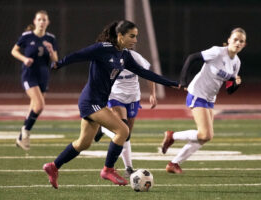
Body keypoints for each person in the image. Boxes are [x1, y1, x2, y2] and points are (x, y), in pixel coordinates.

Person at [43, 20, 180, 188]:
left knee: (83, 143)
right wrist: (59, 63)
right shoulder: (103, 48)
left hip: (98, 102)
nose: (135, 40)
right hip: (90, 101)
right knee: (123, 130)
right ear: (120, 35)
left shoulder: (124, 55)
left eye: (136, 36)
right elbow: (79, 55)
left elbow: (145, 72)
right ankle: (108, 170)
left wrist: (172, 83)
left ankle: (53, 166)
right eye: (131, 36)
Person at [161, 27, 246, 174]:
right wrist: (183, 81)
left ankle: (173, 163)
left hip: (210, 98)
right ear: (228, 41)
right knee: (205, 134)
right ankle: (172, 136)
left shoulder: (236, 62)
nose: (238, 43)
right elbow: (192, 58)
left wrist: (236, 84)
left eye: (241, 41)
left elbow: (229, 89)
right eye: (235, 39)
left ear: (244, 45)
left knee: (205, 137)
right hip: (197, 93)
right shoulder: (218, 52)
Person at [93, 49, 157, 178]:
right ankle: (129, 168)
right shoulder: (109, 57)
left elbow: (148, 73)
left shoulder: (135, 56)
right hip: (116, 96)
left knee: (127, 134)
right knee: (124, 131)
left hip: (133, 97)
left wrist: (152, 94)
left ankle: (104, 128)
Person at [11, 10, 58, 150]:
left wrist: (50, 51)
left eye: (44, 20)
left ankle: (21, 137)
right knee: (39, 105)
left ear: (48, 22)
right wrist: (25, 59)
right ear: (35, 21)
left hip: (43, 75)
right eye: (40, 19)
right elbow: (14, 51)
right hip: (29, 74)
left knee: (34, 106)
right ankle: (25, 132)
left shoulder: (51, 38)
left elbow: (55, 60)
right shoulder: (27, 36)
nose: (42, 22)